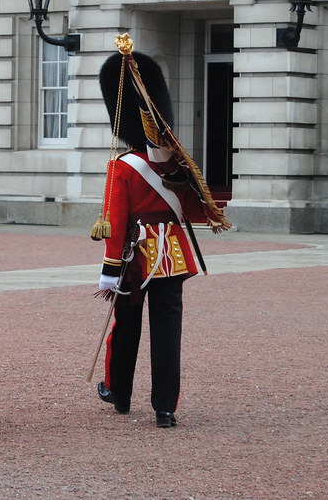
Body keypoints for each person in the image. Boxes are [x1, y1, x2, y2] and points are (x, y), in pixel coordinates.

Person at [92, 39, 225, 429]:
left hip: (136, 257)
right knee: (167, 333)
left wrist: (110, 269)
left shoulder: (123, 166)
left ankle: (119, 394)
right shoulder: (175, 165)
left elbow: (115, 223)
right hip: (174, 255)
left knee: (127, 325)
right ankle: (165, 407)